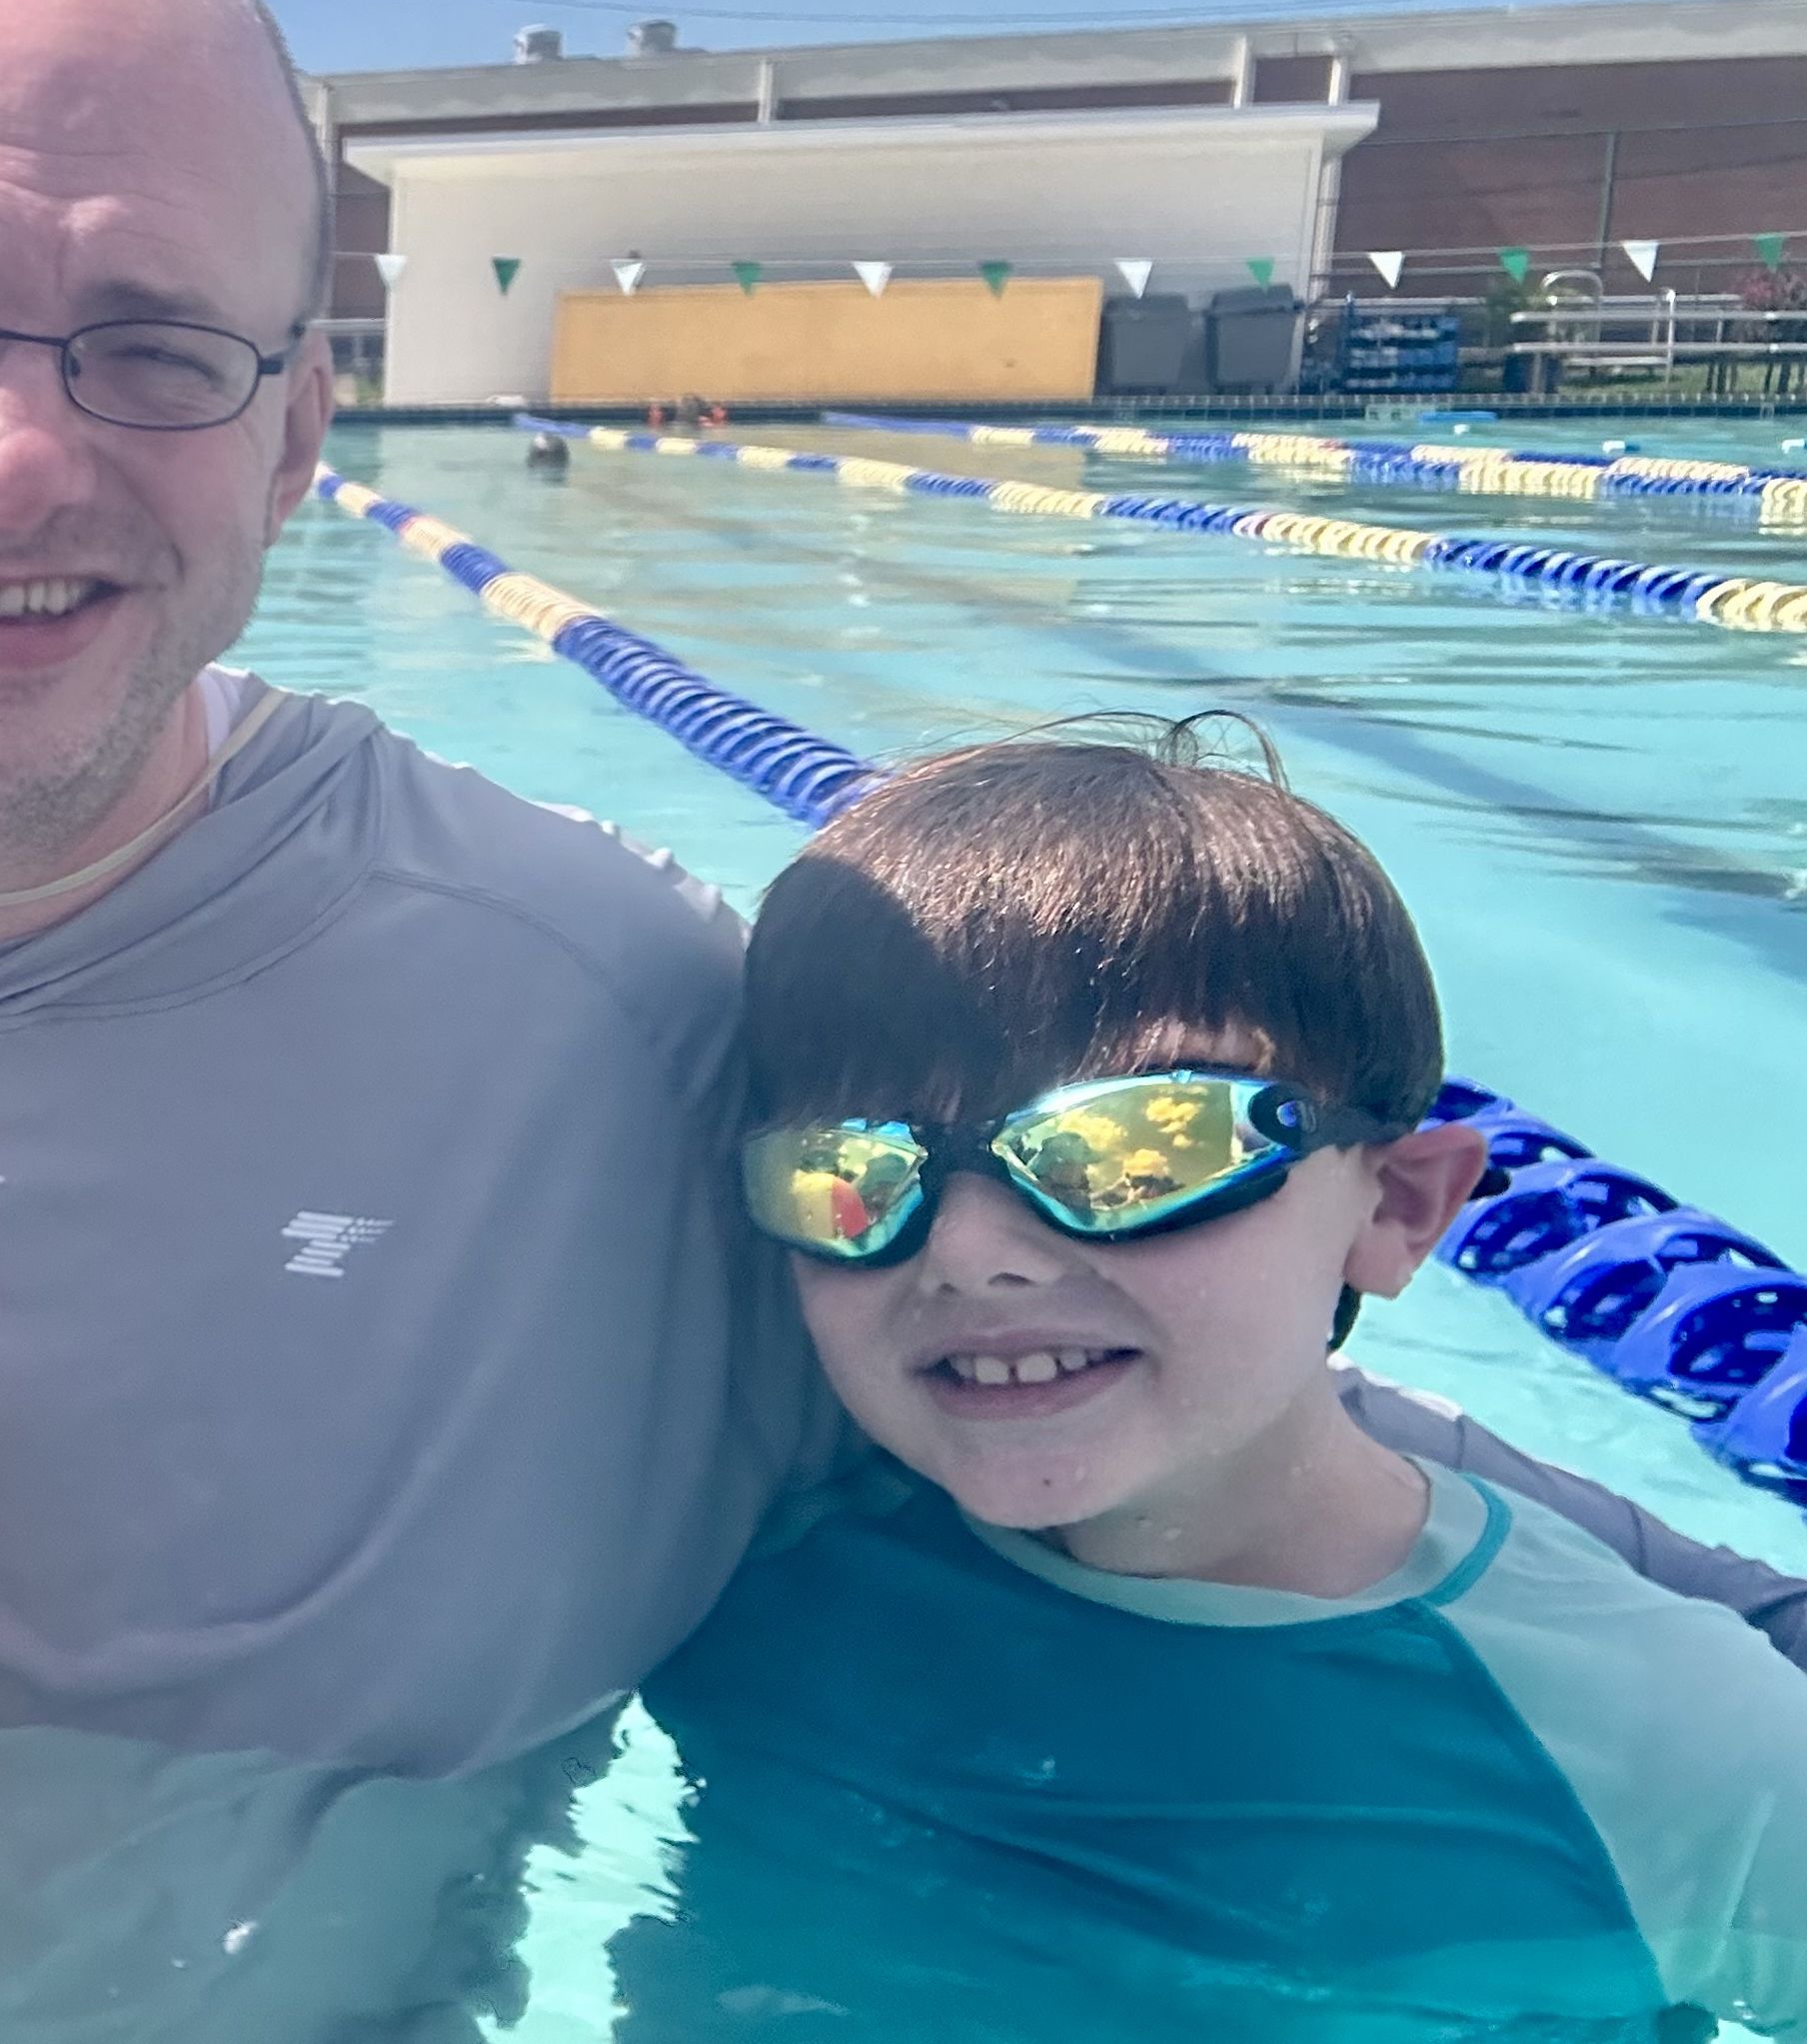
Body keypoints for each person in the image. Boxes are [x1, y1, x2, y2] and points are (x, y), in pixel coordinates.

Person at [0, 0, 1807, 2031]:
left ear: (296, 440)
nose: (12, 457)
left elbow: (1203, 1385)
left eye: (155, 347)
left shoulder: (600, 1027)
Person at [626, 735, 1807, 2039]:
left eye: (1135, 1148)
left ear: (1401, 1208)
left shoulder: (1666, 1740)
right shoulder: (758, 1549)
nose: (965, 1255)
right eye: (847, 1174)